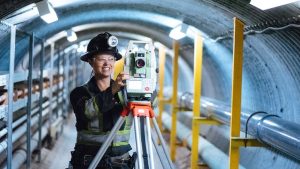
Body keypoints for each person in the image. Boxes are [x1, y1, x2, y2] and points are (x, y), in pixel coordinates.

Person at [69, 32, 136, 169]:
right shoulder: (79, 93)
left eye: (111, 59)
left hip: (121, 163)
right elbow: (87, 112)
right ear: (90, 61)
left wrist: (147, 84)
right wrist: (113, 89)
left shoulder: (126, 92)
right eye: (101, 59)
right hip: (90, 162)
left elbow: (152, 105)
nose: (107, 63)